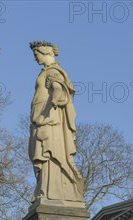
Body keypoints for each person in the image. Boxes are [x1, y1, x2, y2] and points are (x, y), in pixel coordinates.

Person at [29, 41, 84, 203]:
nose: (35, 58)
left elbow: (58, 88)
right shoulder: (44, 72)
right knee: (40, 154)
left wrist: (52, 102)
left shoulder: (53, 71)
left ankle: (54, 191)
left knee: (50, 152)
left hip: (48, 118)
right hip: (39, 117)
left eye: (36, 54)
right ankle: (43, 190)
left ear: (45, 52)